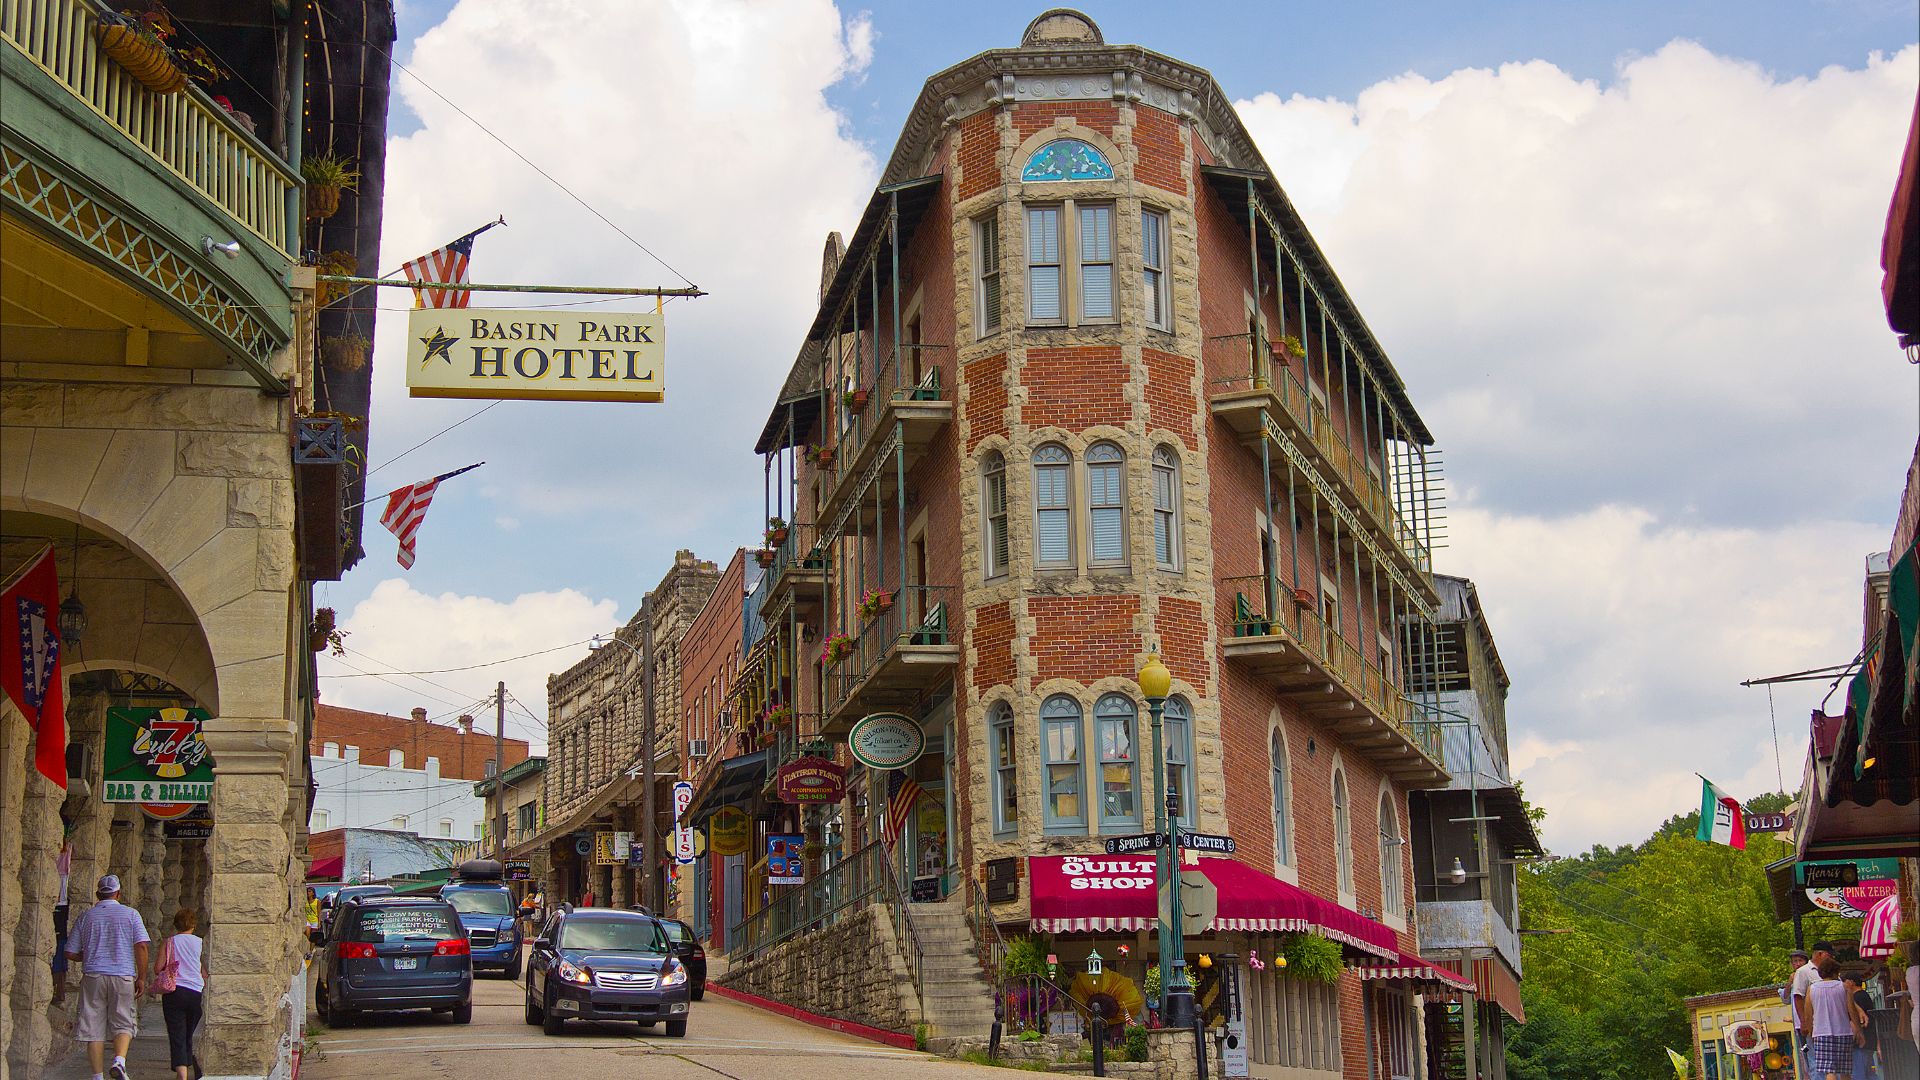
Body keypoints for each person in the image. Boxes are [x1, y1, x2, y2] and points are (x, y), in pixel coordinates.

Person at [66, 874, 150, 1080]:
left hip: (93, 975)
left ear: (97, 894)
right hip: (122, 975)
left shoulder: (86, 916)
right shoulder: (131, 914)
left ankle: (97, 1076)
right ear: (118, 893)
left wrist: (90, 955)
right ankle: (119, 1061)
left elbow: (69, 952)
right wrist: (142, 977)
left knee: (92, 1026)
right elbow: (141, 946)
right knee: (123, 1021)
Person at [152, 907, 207, 1080]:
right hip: (196, 992)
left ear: (176, 924)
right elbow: (205, 971)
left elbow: (157, 968)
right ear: (194, 924)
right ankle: (195, 1067)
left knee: (177, 1033)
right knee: (188, 1033)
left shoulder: (169, 942)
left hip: (174, 992)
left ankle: (182, 1074)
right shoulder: (201, 943)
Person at [1801, 956, 1861, 1080]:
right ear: (1835, 972)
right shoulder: (1844, 987)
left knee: (1829, 1072)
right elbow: (1851, 1010)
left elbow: (1808, 1014)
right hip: (1843, 1032)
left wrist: (1811, 1031)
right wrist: (1858, 1030)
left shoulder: (1811, 990)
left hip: (1821, 1034)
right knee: (1845, 1072)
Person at [1794, 943, 1836, 1070]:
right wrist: (1804, 1021)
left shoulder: (1832, 972)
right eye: (1829, 955)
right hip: (1815, 1025)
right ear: (1820, 954)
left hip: (1834, 1024)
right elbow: (1798, 997)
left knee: (1834, 1063)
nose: (1832, 958)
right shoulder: (1803, 972)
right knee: (1817, 1063)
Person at [1845, 971, 1880, 1080]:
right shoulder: (1864, 995)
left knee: (1859, 1074)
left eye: (1845, 981)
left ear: (1851, 982)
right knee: (1869, 1073)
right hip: (1869, 1041)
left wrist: (1856, 1036)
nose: (1843, 985)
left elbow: (1858, 1020)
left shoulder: (1857, 997)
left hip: (1861, 1043)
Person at [52, 827, 73, 1004]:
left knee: (60, 946)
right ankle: (57, 990)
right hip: (57, 901)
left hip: (61, 903)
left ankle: (58, 989)